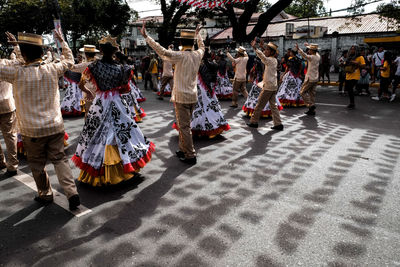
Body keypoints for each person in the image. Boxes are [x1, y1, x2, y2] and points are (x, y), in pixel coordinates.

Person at [0, 30, 80, 210]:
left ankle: (45, 193)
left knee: (37, 164)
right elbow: (69, 61)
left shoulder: (16, 72)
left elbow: (11, 64)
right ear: (42, 53)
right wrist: (62, 41)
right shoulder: (52, 68)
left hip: (32, 130)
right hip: (55, 126)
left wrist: (16, 48)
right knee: (60, 159)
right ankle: (72, 192)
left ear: (25, 53)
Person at [73, 35, 155, 186]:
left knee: (97, 134)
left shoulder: (93, 66)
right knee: (122, 133)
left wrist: (91, 92)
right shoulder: (122, 68)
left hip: (100, 103)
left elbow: (77, 79)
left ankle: (102, 170)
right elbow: (125, 90)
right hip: (117, 103)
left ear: (101, 50)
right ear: (114, 51)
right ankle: (123, 169)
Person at [141, 22, 204, 164]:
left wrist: (147, 37)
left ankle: (190, 154)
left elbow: (162, 51)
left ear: (181, 42)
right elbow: (202, 47)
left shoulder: (180, 55)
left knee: (184, 127)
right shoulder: (198, 54)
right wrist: (198, 34)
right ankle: (183, 149)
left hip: (181, 97)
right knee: (185, 125)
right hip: (193, 95)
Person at [174, 49, 230, 138]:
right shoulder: (204, 64)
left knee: (202, 107)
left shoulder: (209, 64)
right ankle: (198, 127)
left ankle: (200, 127)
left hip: (202, 89)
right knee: (200, 108)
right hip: (199, 89)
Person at [247, 38, 283, 131]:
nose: (265, 51)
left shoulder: (270, 60)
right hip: (273, 86)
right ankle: (278, 124)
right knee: (273, 106)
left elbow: (262, 56)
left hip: (268, 87)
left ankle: (253, 122)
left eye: (267, 50)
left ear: (271, 52)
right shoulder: (273, 60)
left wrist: (255, 48)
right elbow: (264, 56)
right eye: (265, 49)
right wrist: (261, 47)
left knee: (259, 105)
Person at [61, 44, 99, 116]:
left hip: (87, 89)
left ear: (86, 55)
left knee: (87, 109)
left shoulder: (84, 65)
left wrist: (64, 60)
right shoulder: (99, 63)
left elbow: (71, 67)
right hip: (98, 89)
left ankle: (83, 111)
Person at [0, 44, 19, 178]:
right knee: (10, 136)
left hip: (7, 104)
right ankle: (12, 165)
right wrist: (16, 46)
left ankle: (1, 161)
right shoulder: (7, 64)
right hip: (7, 104)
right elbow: (22, 60)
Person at [296, 42, 320, 115]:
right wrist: (308, 45)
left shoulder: (311, 57)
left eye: (309, 49)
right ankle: (311, 110)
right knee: (312, 94)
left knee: (302, 92)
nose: (308, 50)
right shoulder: (318, 56)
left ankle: (311, 105)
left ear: (312, 51)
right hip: (315, 78)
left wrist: (298, 49)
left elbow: (304, 55)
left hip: (310, 78)